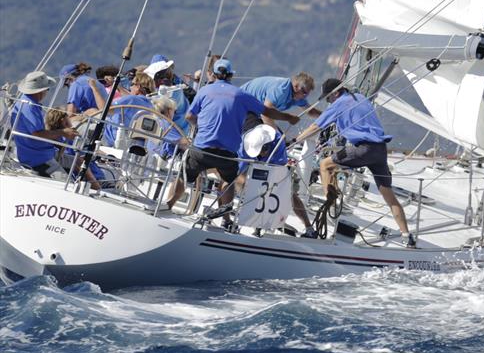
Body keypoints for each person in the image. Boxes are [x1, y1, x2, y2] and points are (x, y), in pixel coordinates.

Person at [161, 59, 291, 229]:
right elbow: (267, 111)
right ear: (231, 76)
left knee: (184, 175)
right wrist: (289, 117)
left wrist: (201, 128)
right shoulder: (241, 95)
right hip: (226, 153)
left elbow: (189, 117)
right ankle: (226, 219)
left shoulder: (205, 91)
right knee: (228, 180)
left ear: (213, 74)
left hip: (202, 149)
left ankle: (168, 205)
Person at [293, 78, 416, 247]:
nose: (329, 102)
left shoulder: (338, 103)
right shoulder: (360, 97)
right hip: (380, 150)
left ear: (336, 93)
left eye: (328, 98)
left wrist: (294, 140)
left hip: (364, 148)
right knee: (388, 194)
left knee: (325, 165)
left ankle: (331, 206)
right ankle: (407, 236)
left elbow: (316, 126)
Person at [10, 71, 100, 188]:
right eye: (47, 89)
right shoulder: (30, 106)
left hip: (45, 153)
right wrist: (63, 132)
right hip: (39, 159)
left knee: (78, 161)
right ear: (41, 90)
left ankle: (97, 189)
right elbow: (36, 133)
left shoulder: (25, 101)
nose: (47, 92)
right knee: (68, 186)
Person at [236, 118, 317, 238]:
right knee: (246, 185)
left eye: (263, 151)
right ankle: (249, 218)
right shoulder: (245, 144)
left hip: (275, 165)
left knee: (288, 194)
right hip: (254, 162)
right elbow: (240, 174)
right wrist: (246, 193)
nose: (260, 154)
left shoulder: (278, 142)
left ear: (267, 145)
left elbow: (277, 172)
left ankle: (309, 227)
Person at [88, 71, 155, 146]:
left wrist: (94, 88)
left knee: (81, 128)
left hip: (111, 139)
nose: (130, 87)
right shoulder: (149, 104)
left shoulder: (132, 99)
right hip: (133, 143)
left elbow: (104, 110)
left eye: (131, 84)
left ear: (138, 86)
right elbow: (129, 97)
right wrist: (115, 84)